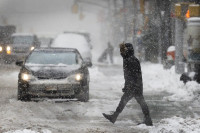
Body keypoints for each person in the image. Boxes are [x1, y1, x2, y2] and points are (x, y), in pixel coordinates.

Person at [102, 42, 153, 126]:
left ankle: (114, 117)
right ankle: (148, 120)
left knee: (125, 101)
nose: (121, 52)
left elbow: (134, 75)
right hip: (134, 86)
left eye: (123, 50)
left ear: (127, 50)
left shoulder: (131, 60)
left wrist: (131, 87)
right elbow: (129, 76)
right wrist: (127, 86)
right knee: (140, 102)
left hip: (134, 87)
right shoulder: (128, 59)